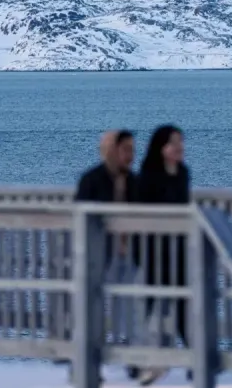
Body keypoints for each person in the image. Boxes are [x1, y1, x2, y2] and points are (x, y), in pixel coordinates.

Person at [74, 129, 141, 380]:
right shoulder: (92, 180)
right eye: (126, 150)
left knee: (133, 309)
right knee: (95, 312)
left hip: (130, 255)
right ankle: (88, 362)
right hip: (100, 257)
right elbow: (81, 217)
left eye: (132, 150)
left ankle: (133, 359)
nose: (131, 155)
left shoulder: (134, 181)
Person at [133, 124, 191, 385]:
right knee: (149, 307)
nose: (179, 147)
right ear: (160, 148)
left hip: (178, 250)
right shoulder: (148, 176)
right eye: (173, 143)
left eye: (180, 141)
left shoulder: (183, 173)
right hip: (152, 251)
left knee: (184, 306)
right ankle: (144, 361)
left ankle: (194, 358)